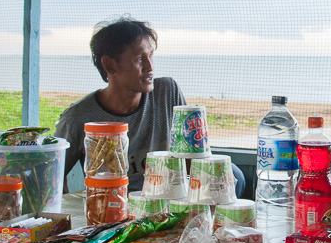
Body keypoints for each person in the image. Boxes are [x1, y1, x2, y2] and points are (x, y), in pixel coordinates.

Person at [56, 18, 246, 195]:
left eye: (151, 56)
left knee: (232, 174)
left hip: (170, 198)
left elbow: (191, 155)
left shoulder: (166, 92)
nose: (150, 67)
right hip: (118, 208)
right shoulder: (78, 117)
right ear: (110, 65)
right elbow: (53, 174)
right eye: (139, 59)